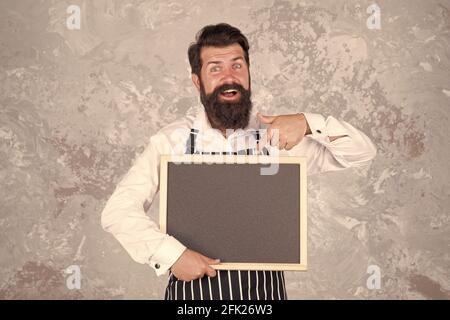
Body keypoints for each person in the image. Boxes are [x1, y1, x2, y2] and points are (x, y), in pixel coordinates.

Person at [101, 23, 377, 300]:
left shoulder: (277, 138)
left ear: (248, 73)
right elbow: (118, 211)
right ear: (198, 81)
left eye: (237, 66)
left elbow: (361, 153)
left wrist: (308, 123)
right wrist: (172, 255)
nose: (228, 77)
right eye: (215, 68)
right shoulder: (172, 140)